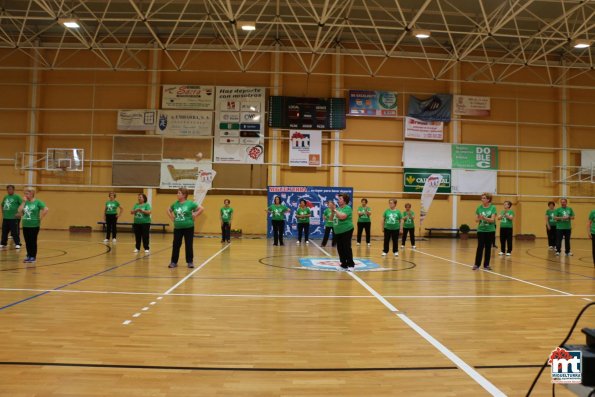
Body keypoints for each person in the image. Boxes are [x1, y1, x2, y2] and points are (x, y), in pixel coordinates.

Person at [167, 187, 203, 268]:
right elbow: (168, 209)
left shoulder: (190, 203)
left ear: (184, 195)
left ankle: (190, 262)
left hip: (189, 227)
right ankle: (173, 262)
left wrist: (195, 214)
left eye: (179, 193)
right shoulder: (175, 204)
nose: (177, 194)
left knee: (189, 244)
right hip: (178, 228)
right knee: (176, 244)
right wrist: (171, 217)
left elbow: (201, 209)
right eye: (177, 193)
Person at [17, 187, 48, 264]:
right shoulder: (25, 202)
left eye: (27, 193)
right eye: (25, 193)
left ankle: (33, 257)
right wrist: (23, 202)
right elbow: (19, 211)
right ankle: (28, 255)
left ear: (32, 194)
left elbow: (46, 209)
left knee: (32, 241)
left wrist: (40, 218)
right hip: (25, 225)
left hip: (34, 225)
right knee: (27, 241)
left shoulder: (37, 202)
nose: (25, 195)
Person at [330, 193, 355, 270]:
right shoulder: (338, 209)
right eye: (339, 198)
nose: (338, 200)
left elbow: (342, 217)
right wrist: (332, 211)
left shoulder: (347, 208)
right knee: (340, 248)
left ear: (345, 201)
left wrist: (334, 210)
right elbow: (331, 219)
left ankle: (351, 264)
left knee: (346, 247)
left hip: (346, 230)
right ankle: (343, 263)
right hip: (338, 231)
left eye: (340, 199)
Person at [473, 193, 497, 271]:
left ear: (488, 199)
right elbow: (476, 220)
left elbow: (493, 220)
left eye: (484, 198)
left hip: (490, 230)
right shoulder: (479, 208)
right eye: (482, 198)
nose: (482, 199)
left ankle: (486, 265)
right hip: (481, 230)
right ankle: (477, 264)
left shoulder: (493, 208)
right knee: (480, 247)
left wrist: (485, 218)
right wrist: (479, 218)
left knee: (488, 248)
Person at [1, 185, 22, 249]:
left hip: (14, 218)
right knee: (4, 231)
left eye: (11, 189)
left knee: (14, 231)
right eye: (8, 189)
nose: (9, 190)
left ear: (13, 190)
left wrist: (19, 213)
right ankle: (3, 243)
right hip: (6, 217)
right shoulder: (5, 197)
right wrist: (3, 213)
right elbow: (2, 205)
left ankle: (17, 243)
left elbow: (23, 205)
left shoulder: (17, 197)